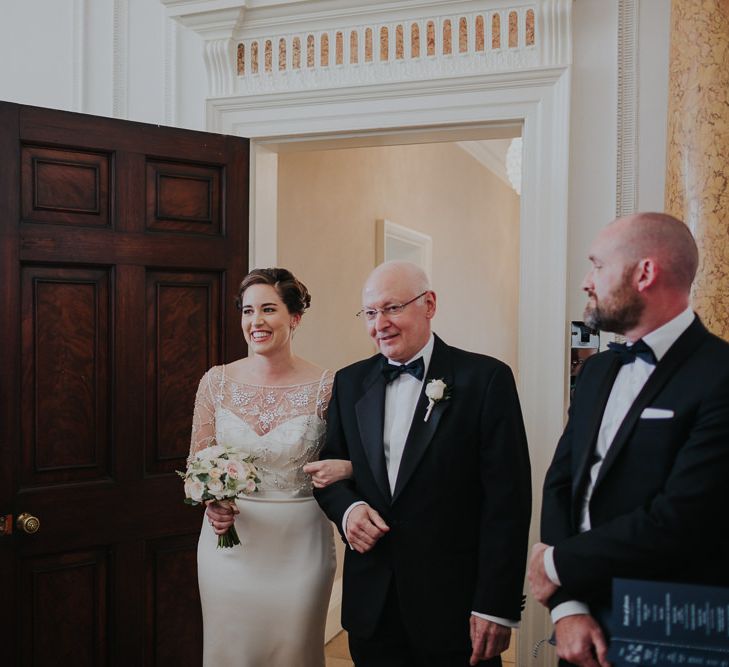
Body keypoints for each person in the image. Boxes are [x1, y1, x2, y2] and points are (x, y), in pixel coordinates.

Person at [528, 212, 729, 667]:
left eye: (597, 265)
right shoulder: (597, 371)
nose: (586, 281)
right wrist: (567, 606)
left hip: (671, 620)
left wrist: (554, 564)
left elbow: (680, 520)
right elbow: (562, 483)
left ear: (645, 272)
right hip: (578, 622)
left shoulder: (719, 375)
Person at [313, 260, 532, 667]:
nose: (381, 324)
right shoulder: (349, 382)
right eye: (371, 313)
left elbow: (508, 503)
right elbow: (330, 469)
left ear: (429, 304)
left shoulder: (485, 380)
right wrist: (349, 511)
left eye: (392, 308)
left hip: (455, 608)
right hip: (372, 610)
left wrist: (495, 606)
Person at [191, 268, 352, 667]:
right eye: (247, 311)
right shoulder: (216, 383)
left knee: (294, 651)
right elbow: (197, 462)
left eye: (268, 309)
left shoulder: (328, 386)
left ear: (294, 318)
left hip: (300, 545)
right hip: (230, 547)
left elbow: (355, 459)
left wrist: (346, 470)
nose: (255, 322)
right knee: (231, 652)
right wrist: (211, 501)